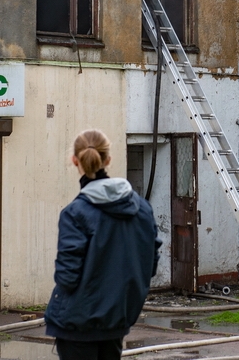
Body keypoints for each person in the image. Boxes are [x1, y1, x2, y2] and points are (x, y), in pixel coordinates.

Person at [45, 129, 161, 360]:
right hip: (116, 320)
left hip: (77, 324)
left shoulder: (75, 213)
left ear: (74, 160)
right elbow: (151, 264)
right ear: (108, 160)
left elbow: (67, 277)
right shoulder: (143, 209)